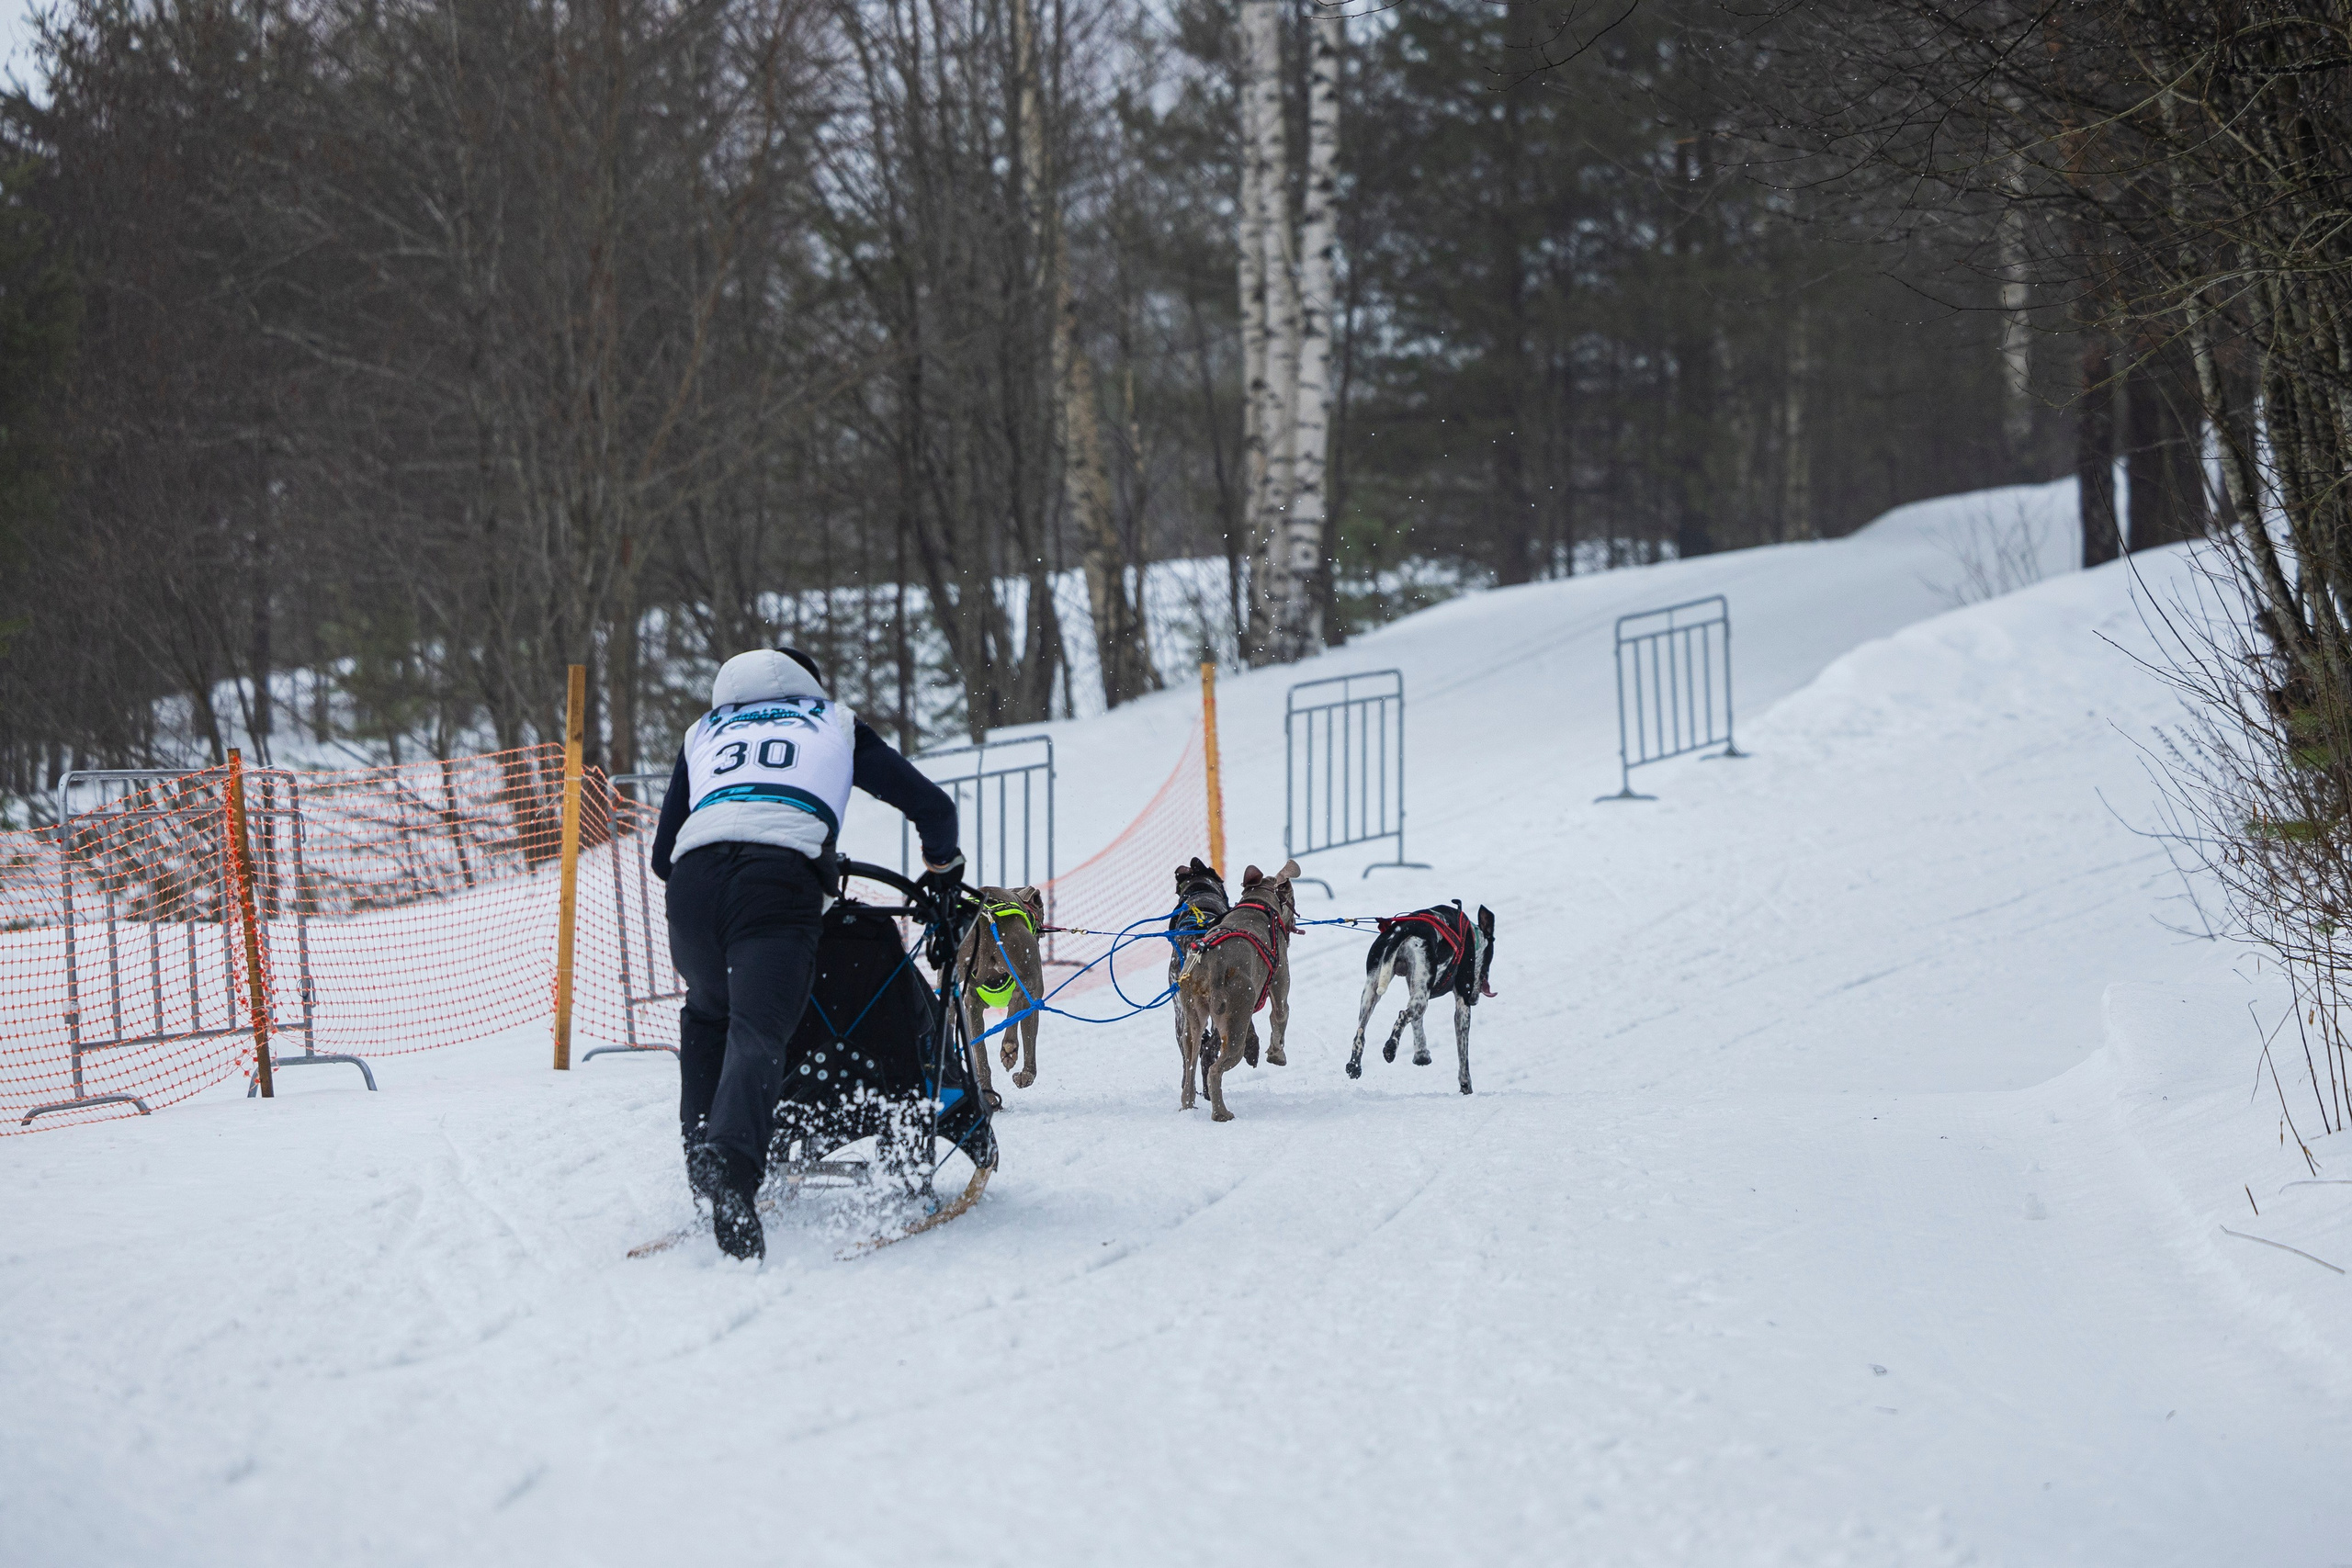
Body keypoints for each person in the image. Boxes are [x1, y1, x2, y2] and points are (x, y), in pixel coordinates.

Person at [649, 646, 963, 1259]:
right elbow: (934, 808)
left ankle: (702, 1159)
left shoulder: (704, 731)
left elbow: (662, 855)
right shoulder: (831, 722)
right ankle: (735, 1168)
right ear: (809, 688)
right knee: (759, 1029)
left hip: (692, 886)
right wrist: (942, 870)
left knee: (708, 1015)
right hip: (775, 880)